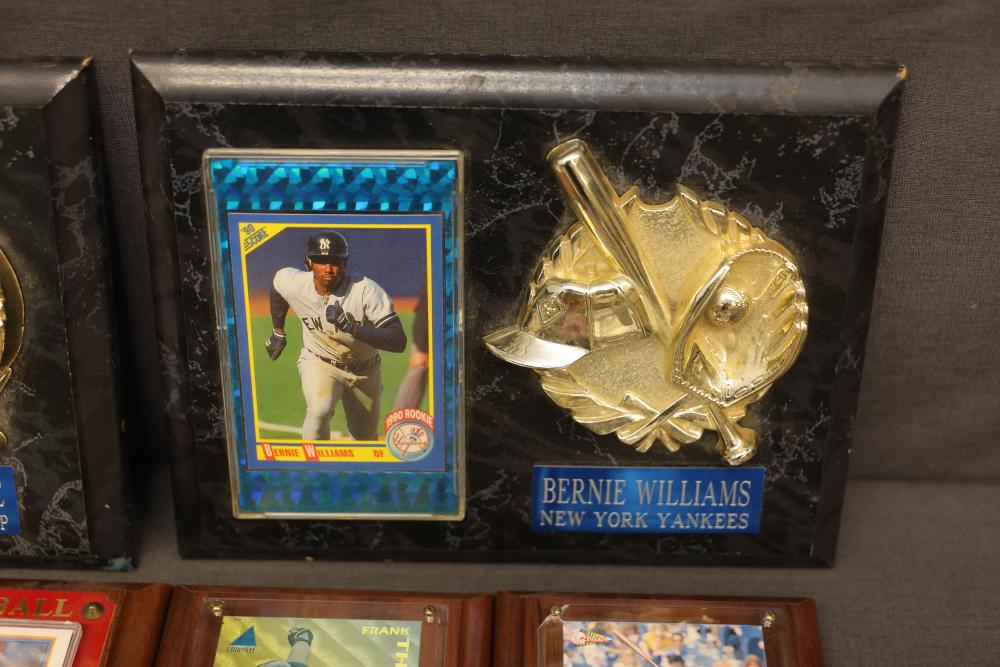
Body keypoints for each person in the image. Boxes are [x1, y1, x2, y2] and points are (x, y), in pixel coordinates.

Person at [265, 231, 406, 441]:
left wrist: (352, 328)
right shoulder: (295, 283)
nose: (328, 268)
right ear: (309, 262)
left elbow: (398, 340)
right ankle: (313, 461)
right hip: (320, 361)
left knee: (364, 438)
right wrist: (278, 331)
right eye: (321, 261)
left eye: (335, 261)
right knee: (319, 410)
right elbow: (277, 286)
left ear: (345, 263)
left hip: (364, 370)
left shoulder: (365, 290)